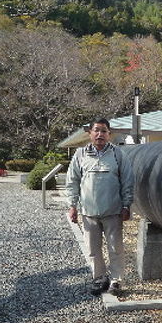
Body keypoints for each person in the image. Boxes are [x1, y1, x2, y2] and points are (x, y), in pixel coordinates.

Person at [66, 118, 135, 296]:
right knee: (93, 249)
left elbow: (128, 181)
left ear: (109, 134)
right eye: (96, 130)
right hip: (88, 212)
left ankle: (116, 280)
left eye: (104, 131)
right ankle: (99, 278)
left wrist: (126, 205)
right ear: (89, 133)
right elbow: (72, 181)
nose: (100, 134)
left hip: (113, 211)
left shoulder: (118, 154)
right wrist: (72, 205)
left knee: (115, 248)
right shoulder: (80, 154)